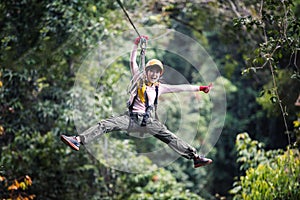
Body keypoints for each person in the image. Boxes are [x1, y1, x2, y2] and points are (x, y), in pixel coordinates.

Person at [61, 36, 213, 168]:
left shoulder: (160, 88)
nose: (153, 74)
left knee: (171, 137)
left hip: (148, 121)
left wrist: (201, 88)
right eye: (151, 71)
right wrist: (136, 45)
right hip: (131, 119)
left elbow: (181, 88)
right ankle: (78, 140)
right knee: (105, 124)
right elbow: (133, 61)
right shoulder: (138, 80)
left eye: (156, 72)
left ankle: (195, 158)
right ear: (147, 71)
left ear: (159, 74)